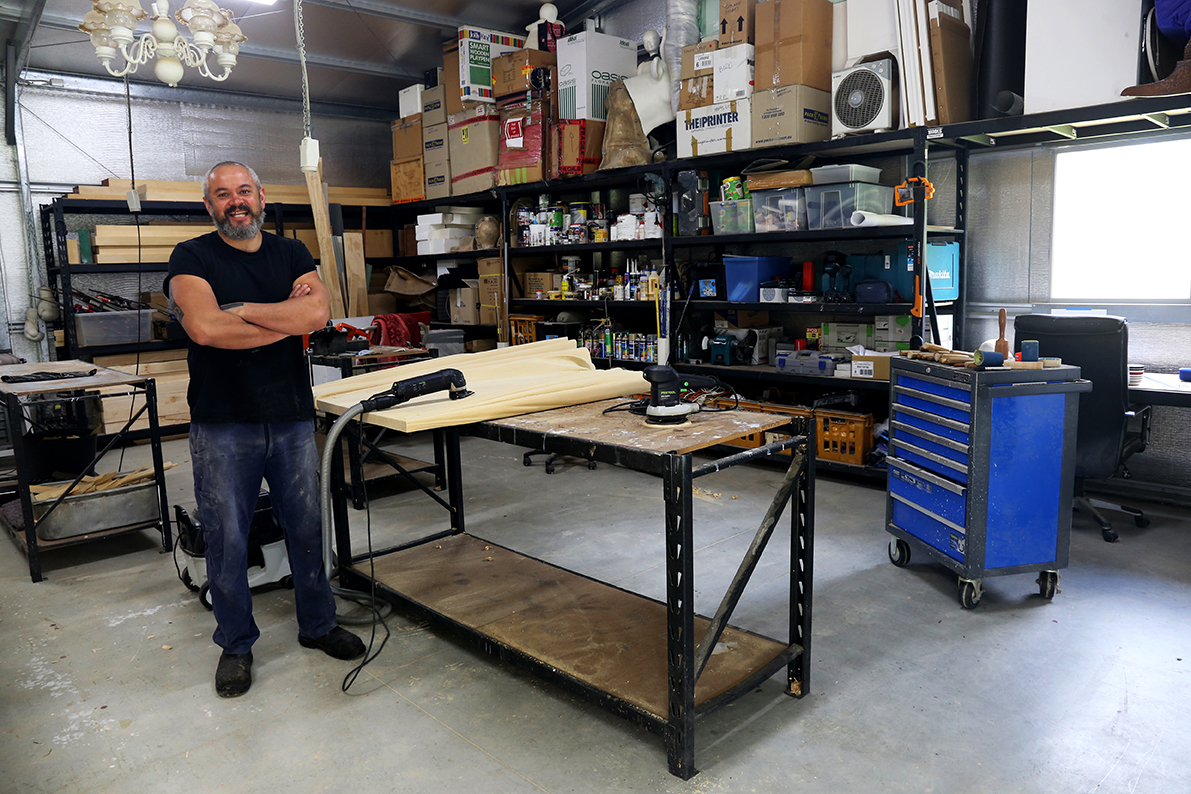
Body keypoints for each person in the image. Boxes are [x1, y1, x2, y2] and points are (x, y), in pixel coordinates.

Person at [165, 161, 364, 698]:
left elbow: (317, 317)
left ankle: (318, 624)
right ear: (209, 205)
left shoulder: (292, 254)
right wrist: (283, 321)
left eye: (244, 191)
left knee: (306, 526)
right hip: (223, 422)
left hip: (291, 416)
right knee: (227, 538)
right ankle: (235, 644)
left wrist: (246, 312)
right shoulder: (191, 257)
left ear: (261, 197)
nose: (236, 202)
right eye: (223, 194)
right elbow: (205, 327)